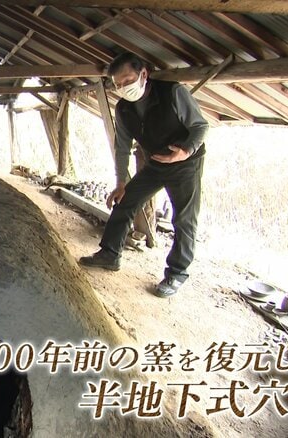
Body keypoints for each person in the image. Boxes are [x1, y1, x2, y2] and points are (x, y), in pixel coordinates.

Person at [79, 52, 209, 298]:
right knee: (125, 200)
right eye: (119, 85)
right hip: (156, 163)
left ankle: (176, 274)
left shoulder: (173, 93)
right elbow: (122, 147)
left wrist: (184, 152)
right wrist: (120, 182)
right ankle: (110, 254)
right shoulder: (124, 109)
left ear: (143, 74)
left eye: (128, 80)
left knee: (184, 219)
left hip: (186, 163)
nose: (124, 87)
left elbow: (200, 126)